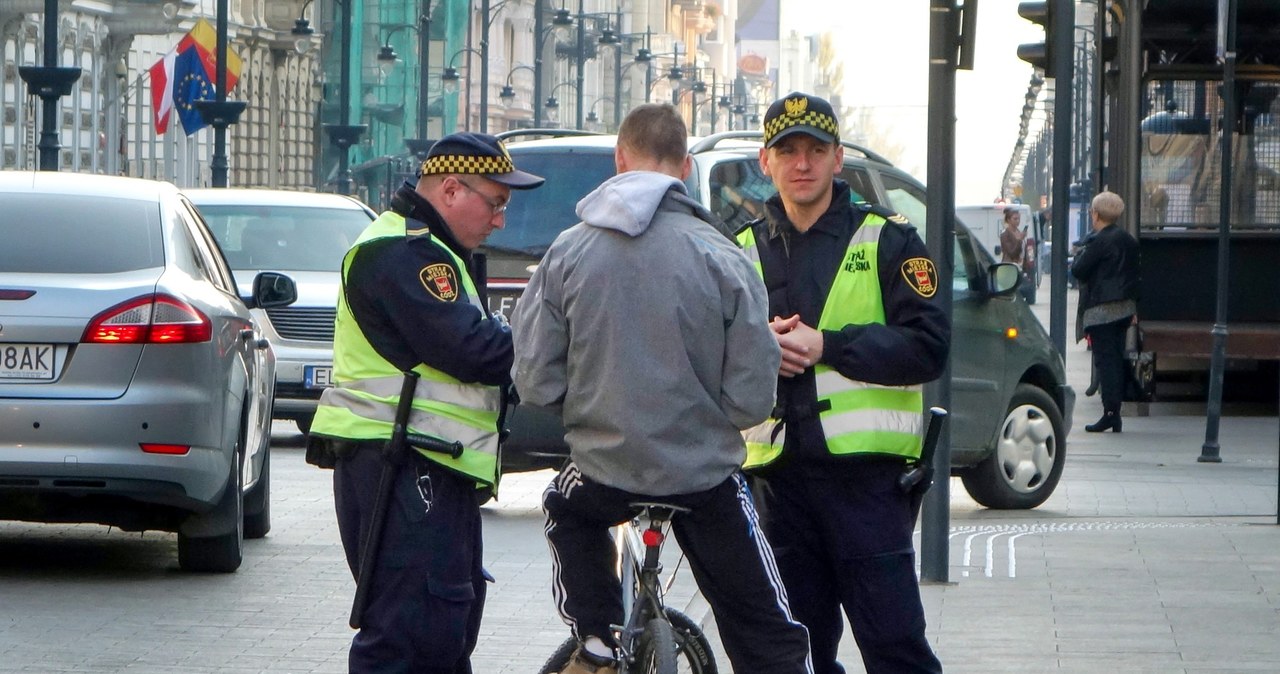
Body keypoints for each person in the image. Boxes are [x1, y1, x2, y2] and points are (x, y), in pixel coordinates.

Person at [512, 103, 813, 674]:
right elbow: (753, 394)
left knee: (562, 509)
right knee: (767, 629)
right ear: (683, 169)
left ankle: (597, 637)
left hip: (606, 469)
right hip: (703, 476)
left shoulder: (567, 252)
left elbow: (533, 379)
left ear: (619, 160)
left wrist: (587, 411)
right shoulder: (723, 255)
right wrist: (709, 419)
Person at [306, 132, 544, 672]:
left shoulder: (431, 251)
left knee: (444, 630)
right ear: (453, 189)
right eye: (497, 202)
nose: (501, 220)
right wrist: (563, 335)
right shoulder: (404, 253)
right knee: (407, 635)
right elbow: (475, 350)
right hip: (402, 465)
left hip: (427, 464)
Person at [736, 92, 950, 674]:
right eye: (788, 151)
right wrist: (762, 352)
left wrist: (828, 345)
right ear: (766, 161)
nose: (801, 163)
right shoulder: (739, 250)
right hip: (777, 486)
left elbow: (929, 347)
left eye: (815, 150)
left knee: (895, 648)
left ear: (838, 160)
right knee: (794, 657)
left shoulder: (889, 240)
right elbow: (708, 357)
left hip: (868, 488)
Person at [1070, 190, 1139, 432]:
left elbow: (1078, 270)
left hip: (1102, 310)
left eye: (1092, 211)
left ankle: (1110, 413)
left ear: (1096, 214)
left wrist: (1082, 251)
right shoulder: (1128, 240)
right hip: (1123, 309)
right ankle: (1114, 412)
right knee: (1115, 359)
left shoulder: (1099, 241)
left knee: (1105, 361)